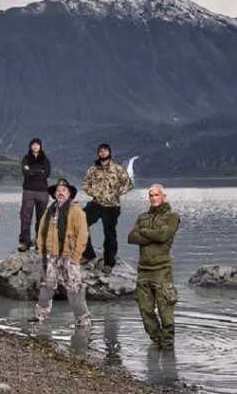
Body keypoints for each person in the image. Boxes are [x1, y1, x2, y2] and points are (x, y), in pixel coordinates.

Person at [30, 179, 91, 328]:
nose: (60, 193)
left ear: (69, 194)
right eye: (58, 190)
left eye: (63, 190)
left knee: (75, 288)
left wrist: (76, 257)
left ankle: (82, 319)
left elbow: (83, 235)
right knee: (47, 285)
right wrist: (41, 251)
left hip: (69, 256)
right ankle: (39, 316)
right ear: (54, 194)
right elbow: (41, 232)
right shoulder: (49, 211)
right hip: (51, 255)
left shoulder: (76, 211)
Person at [128, 184, 180, 350]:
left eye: (157, 195)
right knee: (145, 310)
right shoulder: (142, 217)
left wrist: (143, 232)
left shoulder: (172, 217)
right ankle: (157, 341)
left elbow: (163, 236)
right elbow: (131, 237)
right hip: (143, 270)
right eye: (151, 195)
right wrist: (153, 235)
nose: (153, 198)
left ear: (163, 196)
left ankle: (168, 347)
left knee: (165, 310)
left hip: (162, 269)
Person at [81, 143, 133, 273]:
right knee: (81, 222)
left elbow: (128, 184)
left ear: (109, 152)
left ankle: (109, 263)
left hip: (112, 205)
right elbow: (85, 184)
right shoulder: (93, 169)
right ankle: (88, 254)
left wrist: (117, 193)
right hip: (96, 203)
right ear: (98, 154)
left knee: (109, 233)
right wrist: (94, 193)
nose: (103, 153)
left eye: (105, 151)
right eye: (100, 151)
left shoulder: (118, 168)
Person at [18, 138, 51, 252]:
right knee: (25, 217)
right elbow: (25, 172)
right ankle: (24, 242)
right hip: (28, 191)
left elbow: (47, 174)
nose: (35, 146)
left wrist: (32, 171)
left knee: (41, 218)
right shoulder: (26, 158)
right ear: (30, 146)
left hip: (43, 191)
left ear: (40, 146)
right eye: (33, 144)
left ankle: (39, 241)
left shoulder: (45, 159)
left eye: (37, 144)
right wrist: (39, 171)